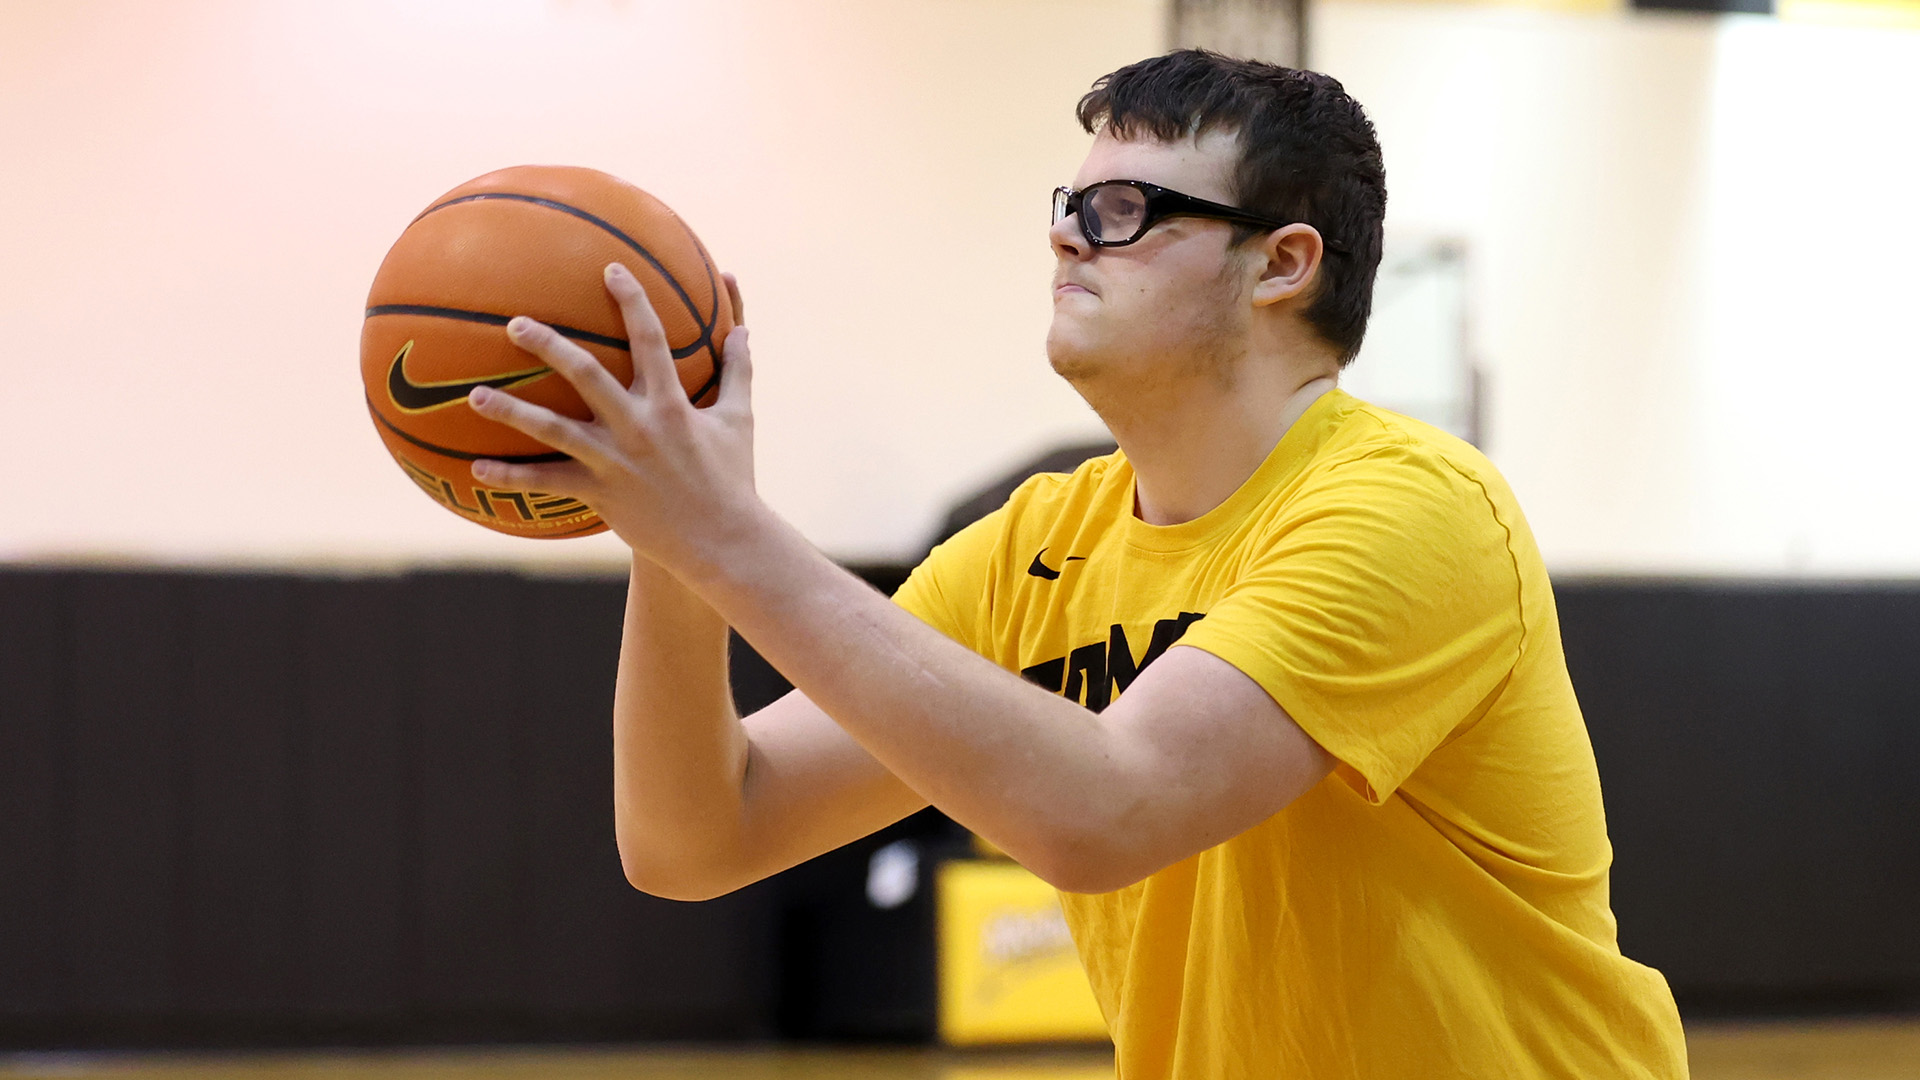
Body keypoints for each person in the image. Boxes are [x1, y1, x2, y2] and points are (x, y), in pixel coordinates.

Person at [467, 49, 1688, 1080]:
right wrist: (672, 544)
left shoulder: (1413, 505)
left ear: (1282, 263)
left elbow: (1114, 807)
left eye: (1125, 210)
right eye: (1070, 201)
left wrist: (723, 532)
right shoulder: (1035, 547)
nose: (1067, 236)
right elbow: (697, 837)